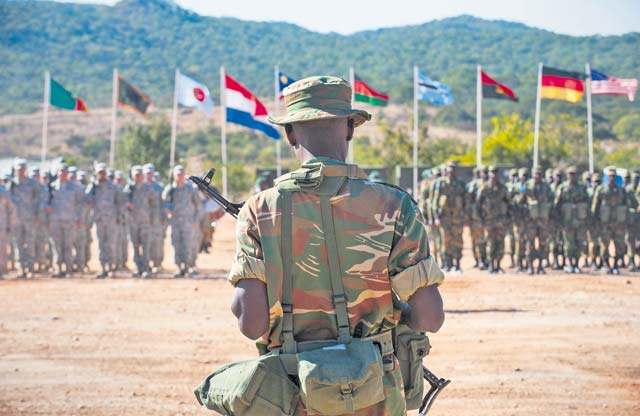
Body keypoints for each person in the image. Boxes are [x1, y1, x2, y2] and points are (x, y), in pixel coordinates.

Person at [228, 76, 445, 415]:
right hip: (376, 395)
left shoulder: (258, 210)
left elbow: (251, 324)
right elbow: (430, 317)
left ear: (290, 133)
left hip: (293, 392)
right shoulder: (395, 205)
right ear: (349, 129)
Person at [163, 165, 201, 277]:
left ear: (184, 175)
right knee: (176, 244)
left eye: (181, 174)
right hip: (175, 222)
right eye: (177, 174)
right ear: (174, 175)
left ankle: (188, 267)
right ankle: (180, 268)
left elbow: (198, 205)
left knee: (188, 245)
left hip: (188, 222)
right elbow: (164, 201)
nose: (179, 176)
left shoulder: (190, 189)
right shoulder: (170, 189)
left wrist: (195, 220)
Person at [47, 164, 83, 277]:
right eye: (60, 171)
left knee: (68, 245)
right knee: (56, 245)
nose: (62, 174)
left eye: (64, 172)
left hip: (70, 220)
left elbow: (79, 204)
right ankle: (58, 268)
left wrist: (78, 217)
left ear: (68, 173)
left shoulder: (75, 187)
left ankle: (68, 269)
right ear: (57, 173)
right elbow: (46, 202)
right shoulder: (51, 187)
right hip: (55, 220)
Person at [592, 166, 629, 274]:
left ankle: (616, 265)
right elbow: (596, 206)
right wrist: (595, 221)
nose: (611, 178)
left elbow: (625, 206)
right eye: (610, 176)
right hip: (605, 223)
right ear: (607, 177)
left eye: (613, 176)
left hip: (618, 223)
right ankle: (606, 264)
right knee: (605, 245)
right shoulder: (601, 189)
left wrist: (625, 220)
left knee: (619, 245)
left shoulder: (621, 190)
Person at [9, 159, 43, 278]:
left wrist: (37, 215)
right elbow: (8, 201)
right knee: (18, 243)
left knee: (30, 242)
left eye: (22, 169)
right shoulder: (12, 184)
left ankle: (30, 268)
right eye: (18, 169)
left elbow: (39, 200)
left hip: (29, 218)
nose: (20, 172)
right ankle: (21, 268)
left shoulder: (32, 183)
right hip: (16, 219)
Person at [87, 163, 121, 278]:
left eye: (103, 172)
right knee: (101, 244)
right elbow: (87, 199)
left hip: (111, 219)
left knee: (111, 243)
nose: (101, 175)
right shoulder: (94, 187)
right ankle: (103, 267)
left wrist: (119, 217)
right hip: (99, 219)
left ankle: (111, 267)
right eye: (99, 173)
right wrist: (92, 184)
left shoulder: (113, 186)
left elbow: (119, 202)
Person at [554, 166, 590, 273]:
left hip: (580, 220)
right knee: (569, 244)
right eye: (570, 174)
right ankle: (569, 263)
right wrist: (559, 221)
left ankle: (576, 264)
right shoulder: (562, 188)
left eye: (574, 174)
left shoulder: (582, 188)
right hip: (567, 221)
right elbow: (557, 206)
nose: (572, 177)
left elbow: (587, 204)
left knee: (579, 243)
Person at [519, 167, 554, 275]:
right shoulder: (527, 185)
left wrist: (548, 209)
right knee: (530, 243)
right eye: (535, 174)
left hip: (543, 220)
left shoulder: (546, 186)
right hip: (531, 220)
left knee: (543, 243)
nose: (537, 176)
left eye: (539, 174)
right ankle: (530, 265)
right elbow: (520, 200)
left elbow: (552, 199)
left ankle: (540, 266)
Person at [433, 160, 466, 272]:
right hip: (444, 218)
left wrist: (466, 216)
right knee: (445, 241)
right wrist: (436, 217)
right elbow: (435, 201)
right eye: (449, 168)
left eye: (453, 168)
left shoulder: (460, 183)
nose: (451, 171)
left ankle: (457, 264)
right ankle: (447, 263)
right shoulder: (441, 183)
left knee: (458, 241)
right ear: (446, 170)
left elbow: (466, 200)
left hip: (457, 217)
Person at [125, 165, 157, 277]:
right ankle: (138, 268)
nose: (138, 177)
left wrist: (153, 219)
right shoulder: (129, 188)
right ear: (133, 175)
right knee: (135, 246)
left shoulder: (148, 188)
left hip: (145, 222)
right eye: (136, 174)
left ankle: (146, 268)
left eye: (140, 174)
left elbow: (154, 205)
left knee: (145, 246)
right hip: (132, 222)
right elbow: (122, 202)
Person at [477, 166, 510, 273]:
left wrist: (508, 218)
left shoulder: (503, 188)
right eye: (492, 172)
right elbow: (478, 205)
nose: (494, 175)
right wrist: (481, 220)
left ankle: (498, 265)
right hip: (489, 220)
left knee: (500, 242)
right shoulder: (484, 188)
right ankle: (491, 264)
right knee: (490, 242)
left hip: (501, 220)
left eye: (495, 172)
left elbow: (509, 203)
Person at [145, 164, 166, 272]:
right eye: (147, 173)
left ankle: (157, 263)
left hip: (157, 220)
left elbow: (164, 203)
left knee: (157, 243)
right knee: (146, 243)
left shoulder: (159, 187)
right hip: (143, 220)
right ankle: (146, 264)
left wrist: (164, 218)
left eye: (150, 173)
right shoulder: (140, 186)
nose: (148, 175)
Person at [0, 182, 17, 278]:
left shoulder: (3, 191)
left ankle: (2, 271)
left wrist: (11, 224)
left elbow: (11, 209)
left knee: (2, 249)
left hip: (2, 225)